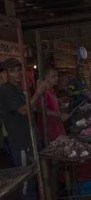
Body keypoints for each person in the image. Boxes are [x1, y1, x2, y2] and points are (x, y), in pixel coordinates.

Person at [0, 58, 50, 199]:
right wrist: (38, 92)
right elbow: (23, 111)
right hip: (21, 142)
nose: (17, 74)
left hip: (30, 139)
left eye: (18, 70)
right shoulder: (5, 89)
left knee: (34, 178)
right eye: (12, 71)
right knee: (26, 182)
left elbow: (31, 108)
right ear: (6, 74)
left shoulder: (19, 89)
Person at [37, 67, 69, 143]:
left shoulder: (51, 90)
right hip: (50, 131)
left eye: (57, 76)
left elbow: (51, 106)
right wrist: (59, 114)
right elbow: (42, 109)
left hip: (57, 129)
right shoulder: (43, 92)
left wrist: (59, 103)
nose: (57, 78)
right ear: (46, 77)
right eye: (53, 76)